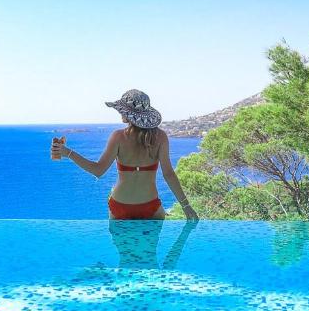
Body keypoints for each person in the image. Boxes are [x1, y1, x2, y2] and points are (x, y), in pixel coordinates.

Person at [51, 89, 199, 221]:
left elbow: (98, 170)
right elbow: (169, 174)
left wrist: (68, 153)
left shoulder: (118, 137)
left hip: (120, 206)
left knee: (124, 252)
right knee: (150, 253)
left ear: (129, 115)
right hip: (150, 206)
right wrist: (186, 206)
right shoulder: (160, 137)